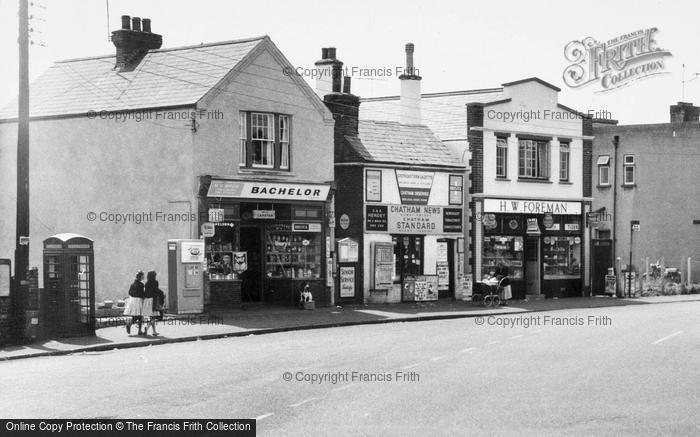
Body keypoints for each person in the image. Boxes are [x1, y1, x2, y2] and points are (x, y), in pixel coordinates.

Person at [142, 270, 164, 336]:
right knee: (153, 317)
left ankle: (154, 331)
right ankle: (147, 327)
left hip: (147, 300)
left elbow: (145, 292)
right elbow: (156, 291)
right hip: (153, 301)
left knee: (152, 317)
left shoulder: (146, 283)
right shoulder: (155, 282)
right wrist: (161, 295)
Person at [124, 271, 145, 335]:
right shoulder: (141, 284)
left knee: (135, 316)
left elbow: (129, 292)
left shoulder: (132, 284)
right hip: (138, 301)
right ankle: (139, 331)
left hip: (132, 300)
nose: (143, 277)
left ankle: (129, 324)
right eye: (143, 275)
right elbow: (142, 294)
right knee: (140, 316)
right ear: (141, 276)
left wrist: (133, 296)